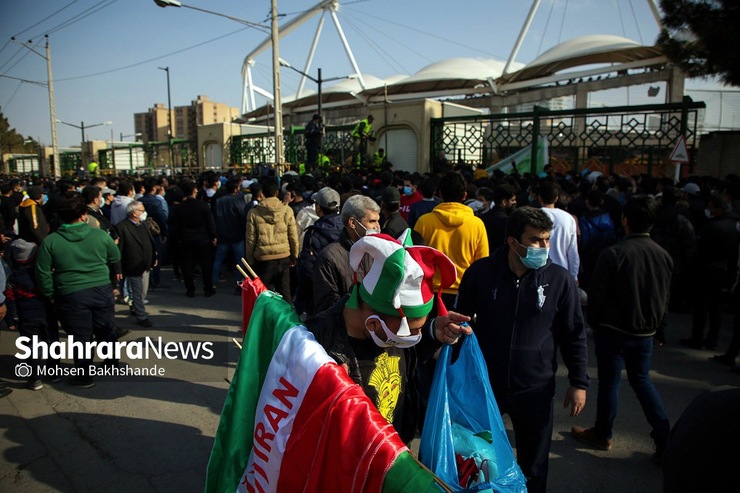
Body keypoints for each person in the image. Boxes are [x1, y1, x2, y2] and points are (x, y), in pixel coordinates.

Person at [455, 206, 589, 493]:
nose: (544, 247)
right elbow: (460, 323)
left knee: (534, 465)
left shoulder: (559, 280)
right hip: (485, 386)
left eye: (547, 240)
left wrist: (579, 382)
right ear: (513, 242)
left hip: (535, 389)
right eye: (536, 240)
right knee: (479, 461)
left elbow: (574, 334)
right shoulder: (481, 273)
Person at [304, 231, 473, 445]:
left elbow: (408, 354)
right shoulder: (314, 346)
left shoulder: (387, 331)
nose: (415, 337)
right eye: (411, 332)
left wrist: (431, 332)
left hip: (394, 452)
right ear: (373, 323)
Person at [572, 195, 672, 464]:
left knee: (610, 383)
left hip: (613, 330)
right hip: (645, 332)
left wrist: (593, 322)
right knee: (642, 381)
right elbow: (664, 297)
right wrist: (660, 328)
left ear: (625, 220)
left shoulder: (615, 253)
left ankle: (603, 432)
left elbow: (598, 293)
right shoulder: (663, 255)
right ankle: (664, 436)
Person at [36, 194, 122, 388]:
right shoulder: (100, 235)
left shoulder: (50, 241)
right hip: (100, 288)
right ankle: (111, 363)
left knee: (80, 336)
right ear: (84, 215)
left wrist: (50, 294)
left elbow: (43, 273)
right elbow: (115, 255)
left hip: (70, 293)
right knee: (105, 328)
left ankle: (84, 375)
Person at [414, 171, 489, 307]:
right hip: (463, 294)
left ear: (440, 194)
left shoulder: (424, 222)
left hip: (429, 293)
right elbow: (482, 264)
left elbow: (414, 259)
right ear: (465, 195)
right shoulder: (477, 224)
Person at [680, 194, 740, 350]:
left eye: (711, 207)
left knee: (701, 307)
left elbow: (699, 251)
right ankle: (712, 339)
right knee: (716, 308)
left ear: (718, 209)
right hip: (724, 271)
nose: (708, 210)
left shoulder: (712, 227)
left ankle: (698, 338)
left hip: (707, 270)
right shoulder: (734, 225)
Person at [313, 194, 380, 313]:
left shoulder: (378, 252)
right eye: (372, 221)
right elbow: (326, 304)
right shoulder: (329, 257)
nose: (377, 227)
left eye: (378, 221)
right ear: (352, 223)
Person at [5, 238, 57, 390]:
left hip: (26, 317)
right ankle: (54, 373)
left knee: (31, 347)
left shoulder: (13, 279)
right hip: (47, 314)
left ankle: (35, 378)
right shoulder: (43, 275)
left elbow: (9, 300)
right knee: (51, 343)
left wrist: (10, 321)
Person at [245, 177, 299, 303]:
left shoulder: (254, 213)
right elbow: (293, 235)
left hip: (263, 258)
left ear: (262, 193)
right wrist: (294, 256)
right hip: (284, 256)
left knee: (262, 294)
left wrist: (250, 260)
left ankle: (264, 320)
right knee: (285, 292)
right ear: (277, 193)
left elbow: (250, 239)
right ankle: (287, 320)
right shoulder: (287, 210)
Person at [295, 187, 343, 317]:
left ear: (319, 208)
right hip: (344, 291)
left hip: (319, 294)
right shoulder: (348, 228)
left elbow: (307, 269)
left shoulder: (313, 234)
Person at [169, 181, 217, 298]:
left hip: (185, 240)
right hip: (202, 239)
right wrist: (213, 237)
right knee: (206, 265)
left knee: (187, 266)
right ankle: (208, 288)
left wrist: (177, 238)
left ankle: (190, 289)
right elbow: (210, 223)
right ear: (195, 190)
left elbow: (175, 225)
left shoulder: (179, 208)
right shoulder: (203, 205)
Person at [116, 201, 157, 328]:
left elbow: (150, 242)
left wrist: (154, 257)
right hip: (132, 265)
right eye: (141, 210)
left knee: (143, 291)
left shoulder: (143, 224)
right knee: (138, 292)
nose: (143, 212)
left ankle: (136, 307)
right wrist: (118, 269)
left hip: (146, 264)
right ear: (134, 213)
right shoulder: (122, 227)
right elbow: (118, 250)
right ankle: (141, 315)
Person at [534, 180, 580, 282]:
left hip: (537, 271)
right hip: (562, 272)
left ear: (539, 198)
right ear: (556, 198)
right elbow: (573, 251)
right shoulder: (568, 218)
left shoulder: (534, 216)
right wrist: (574, 276)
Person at [212, 179, 247, 293]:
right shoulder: (238, 201)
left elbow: (214, 217)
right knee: (240, 261)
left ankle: (213, 281)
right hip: (237, 234)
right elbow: (242, 217)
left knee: (218, 259)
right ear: (236, 188)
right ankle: (239, 282)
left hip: (222, 234)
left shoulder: (219, 201)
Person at [480, 183, 518, 251]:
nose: (515, 202)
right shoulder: (507, 221)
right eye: (512, 200)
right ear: (504, 202)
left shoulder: (482, 218)